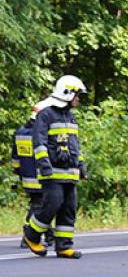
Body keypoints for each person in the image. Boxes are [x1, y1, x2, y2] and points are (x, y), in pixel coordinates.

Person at [20, 75, 88, 259]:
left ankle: (64, 246)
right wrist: (44, 165)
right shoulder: (46, 114)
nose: (79, 99)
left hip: (70, 172)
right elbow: (39, 143)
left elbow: (75, 145)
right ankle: (31, 235)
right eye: (77, 95)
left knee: (69, 207)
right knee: (52, 204)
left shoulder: (71, 117)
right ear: (67, 93)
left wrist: (81, 165)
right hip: (52, 172)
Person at [10, 105, 55, 249]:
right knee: (40, 207)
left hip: (26, 177)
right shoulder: (41, 134)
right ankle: (27, 236)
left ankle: (50, 235)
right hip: (41, 177)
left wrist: (18, 171)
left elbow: (15, 158)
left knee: (40, 205)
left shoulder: (20, 132)